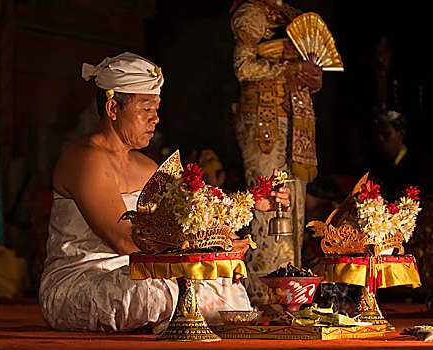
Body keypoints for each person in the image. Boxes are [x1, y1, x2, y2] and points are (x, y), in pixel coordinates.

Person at [39, 52, 289, 333]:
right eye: (146, 108)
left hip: (140, 271)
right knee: (154, 291)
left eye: (157, 108)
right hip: (83, 281)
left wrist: (248, 208)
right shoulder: (85, 159)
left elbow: (192, 215)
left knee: (218, 283)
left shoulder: (146, 166)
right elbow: (126, 241)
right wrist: (206, 246)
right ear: (112, 108)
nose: (156, 118)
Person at [230, 0, 323, 303]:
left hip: (298, 121)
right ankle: (261, 294)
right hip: (264, 118)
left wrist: (314, 79)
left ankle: (293, 293)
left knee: (294, 204)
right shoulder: (252, 13)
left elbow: (309, 78)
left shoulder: (295, 15)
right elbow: (243, 67)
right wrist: (294, 68)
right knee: (268, 201)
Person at [368, 110, 419, 199]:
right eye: (377, 134)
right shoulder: (374, 162)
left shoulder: (417, 163)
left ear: (402, 134)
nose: (380, 139)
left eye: (386, 134)